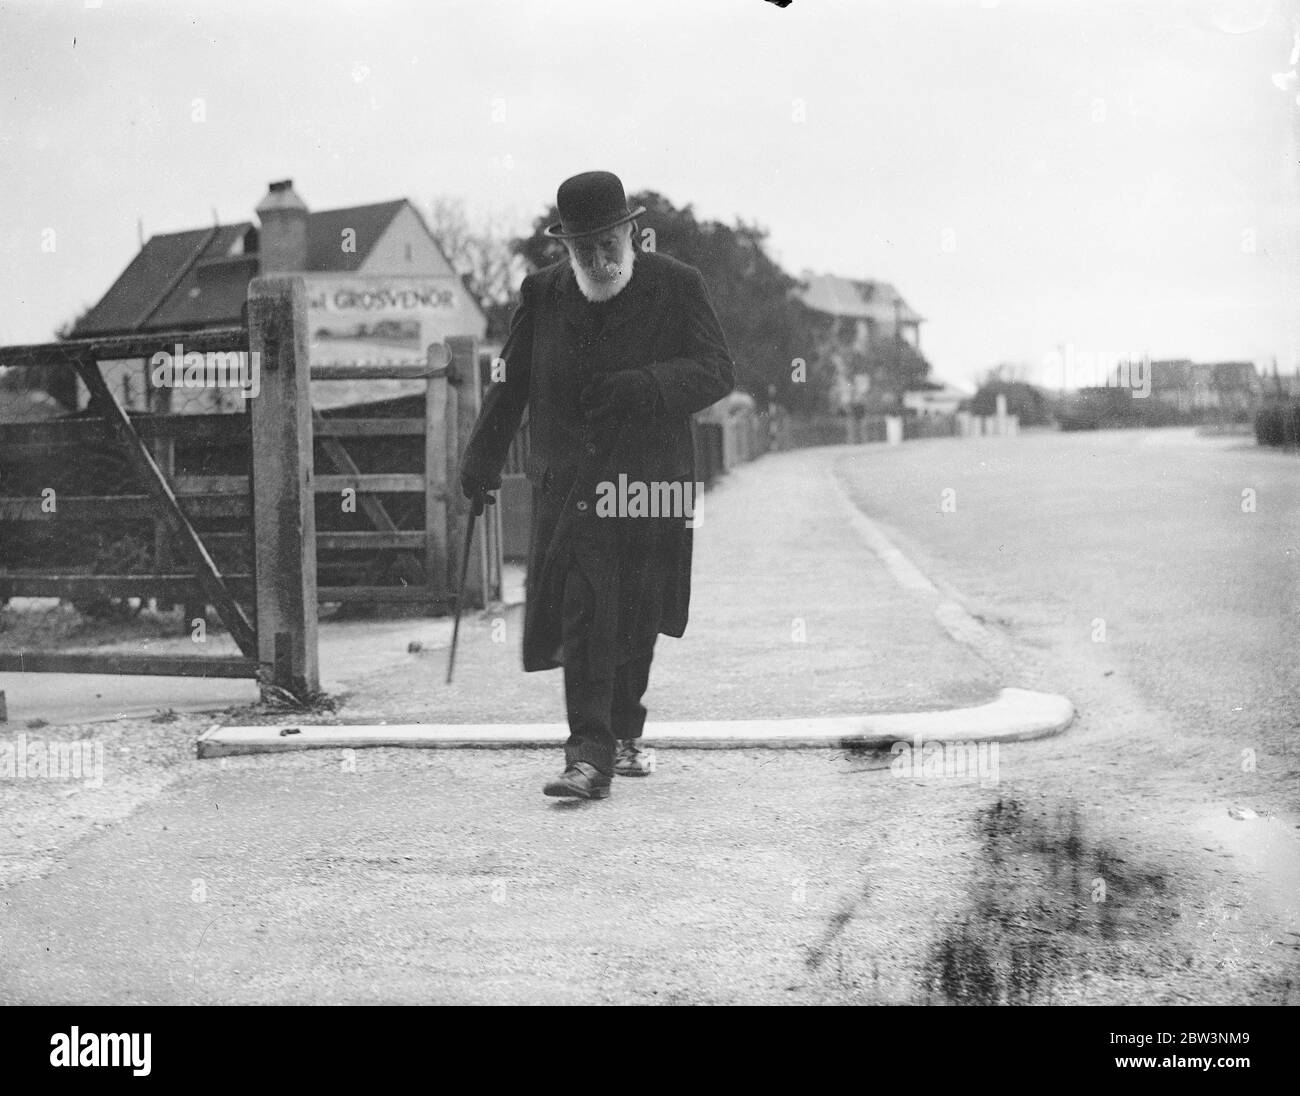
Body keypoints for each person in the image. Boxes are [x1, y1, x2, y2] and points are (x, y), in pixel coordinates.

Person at [458, 170, 735, 800]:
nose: (598, 257)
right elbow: (512, 380)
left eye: (608, 242)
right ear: (566, 246)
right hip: (573, 483)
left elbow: (717, 369)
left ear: (632, 232)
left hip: (650, 484)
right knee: (583, 606)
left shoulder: (676, 286)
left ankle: (625, 726)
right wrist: (482, 459)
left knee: (636, 612)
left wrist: (646, 387)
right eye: (583, 247)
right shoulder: (545, 294)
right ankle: (588, 754)